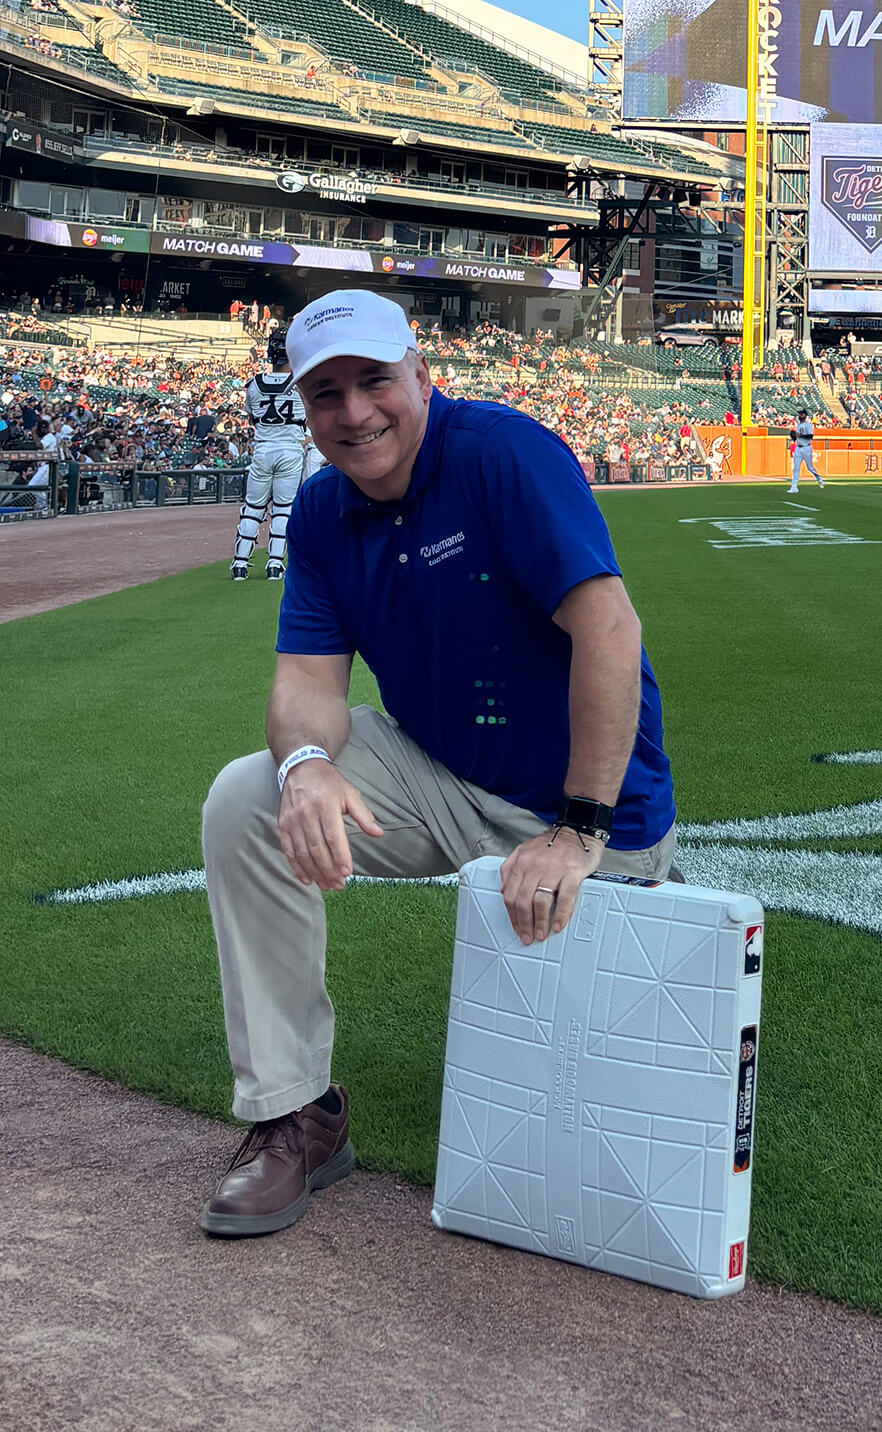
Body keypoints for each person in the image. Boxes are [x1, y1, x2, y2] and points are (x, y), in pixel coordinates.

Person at [198, 289, 679, 1238]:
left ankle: (626, 881)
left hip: (588, 810)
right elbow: (305, 680)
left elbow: (609, 630)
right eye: (324, 393)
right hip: (437, 776)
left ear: (422, 376)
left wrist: (580, 828)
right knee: (247, 796)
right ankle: (296, 1113)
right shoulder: (323, 511)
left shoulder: (502, 453)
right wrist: (302, 766)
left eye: (374, 381)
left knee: (608, 1121)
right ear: (302, 405)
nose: (353, 413)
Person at [231, 328, 310, 582]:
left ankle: (240, 564)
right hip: (290, 449)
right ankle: (275, 563)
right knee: (283, 509)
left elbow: (253, 417)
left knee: (253, 507)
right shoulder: (301, 383)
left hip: (263, 448)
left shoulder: (253, 385)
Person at [786, 408, 824, 494]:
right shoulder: (799, 425)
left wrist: (799, 435)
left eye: (801, 414)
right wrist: (794, 436)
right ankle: (794, 487)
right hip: (798, 448)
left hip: (807, 448)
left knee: (810, 468)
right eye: (799, 414)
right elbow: (797, 437)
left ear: (805, 416)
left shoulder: (808, 425)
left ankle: (819, 478)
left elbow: (810, 437)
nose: (800, 415)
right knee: (796, 468)